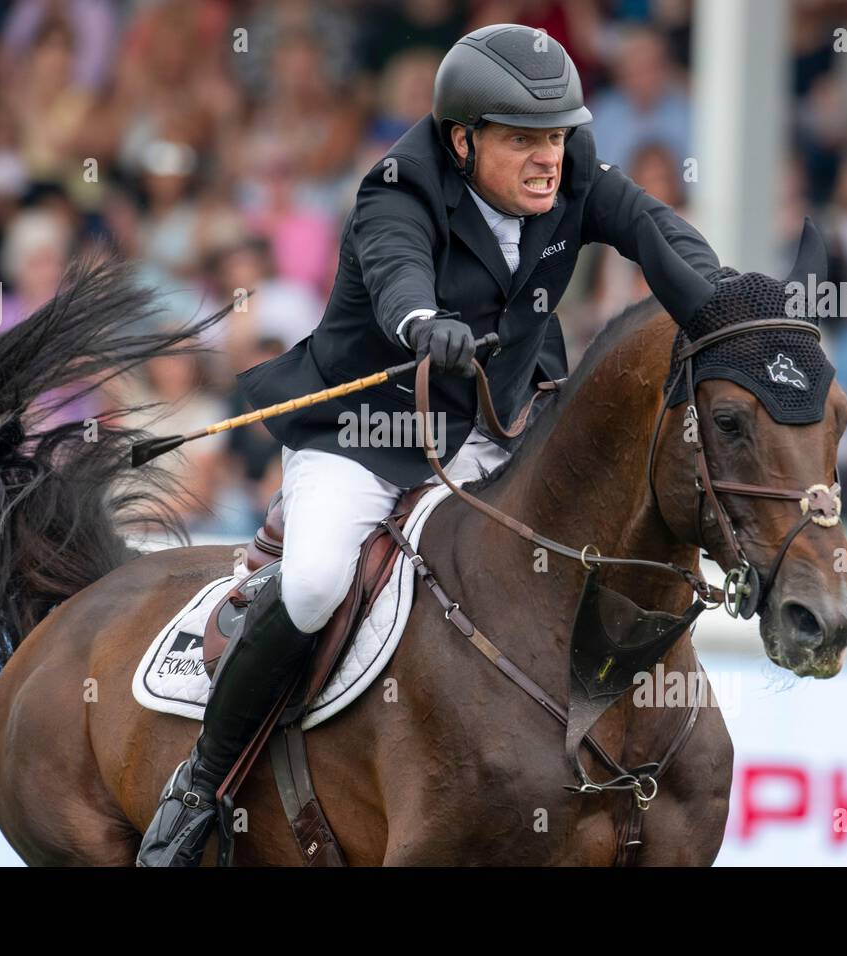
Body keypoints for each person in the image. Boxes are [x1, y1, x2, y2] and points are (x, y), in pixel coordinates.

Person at [136, 23, 722, 867]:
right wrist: (422, 324)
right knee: (310, 585)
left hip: (492, 433)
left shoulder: (574, 168)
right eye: (523, 140)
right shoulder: (399, 187)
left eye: (555, 137)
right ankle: (202, 785)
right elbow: (395, 271)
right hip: (367, 439)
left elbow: (656, 234)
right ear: (462, 138)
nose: (547, 159)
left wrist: (726, 306)